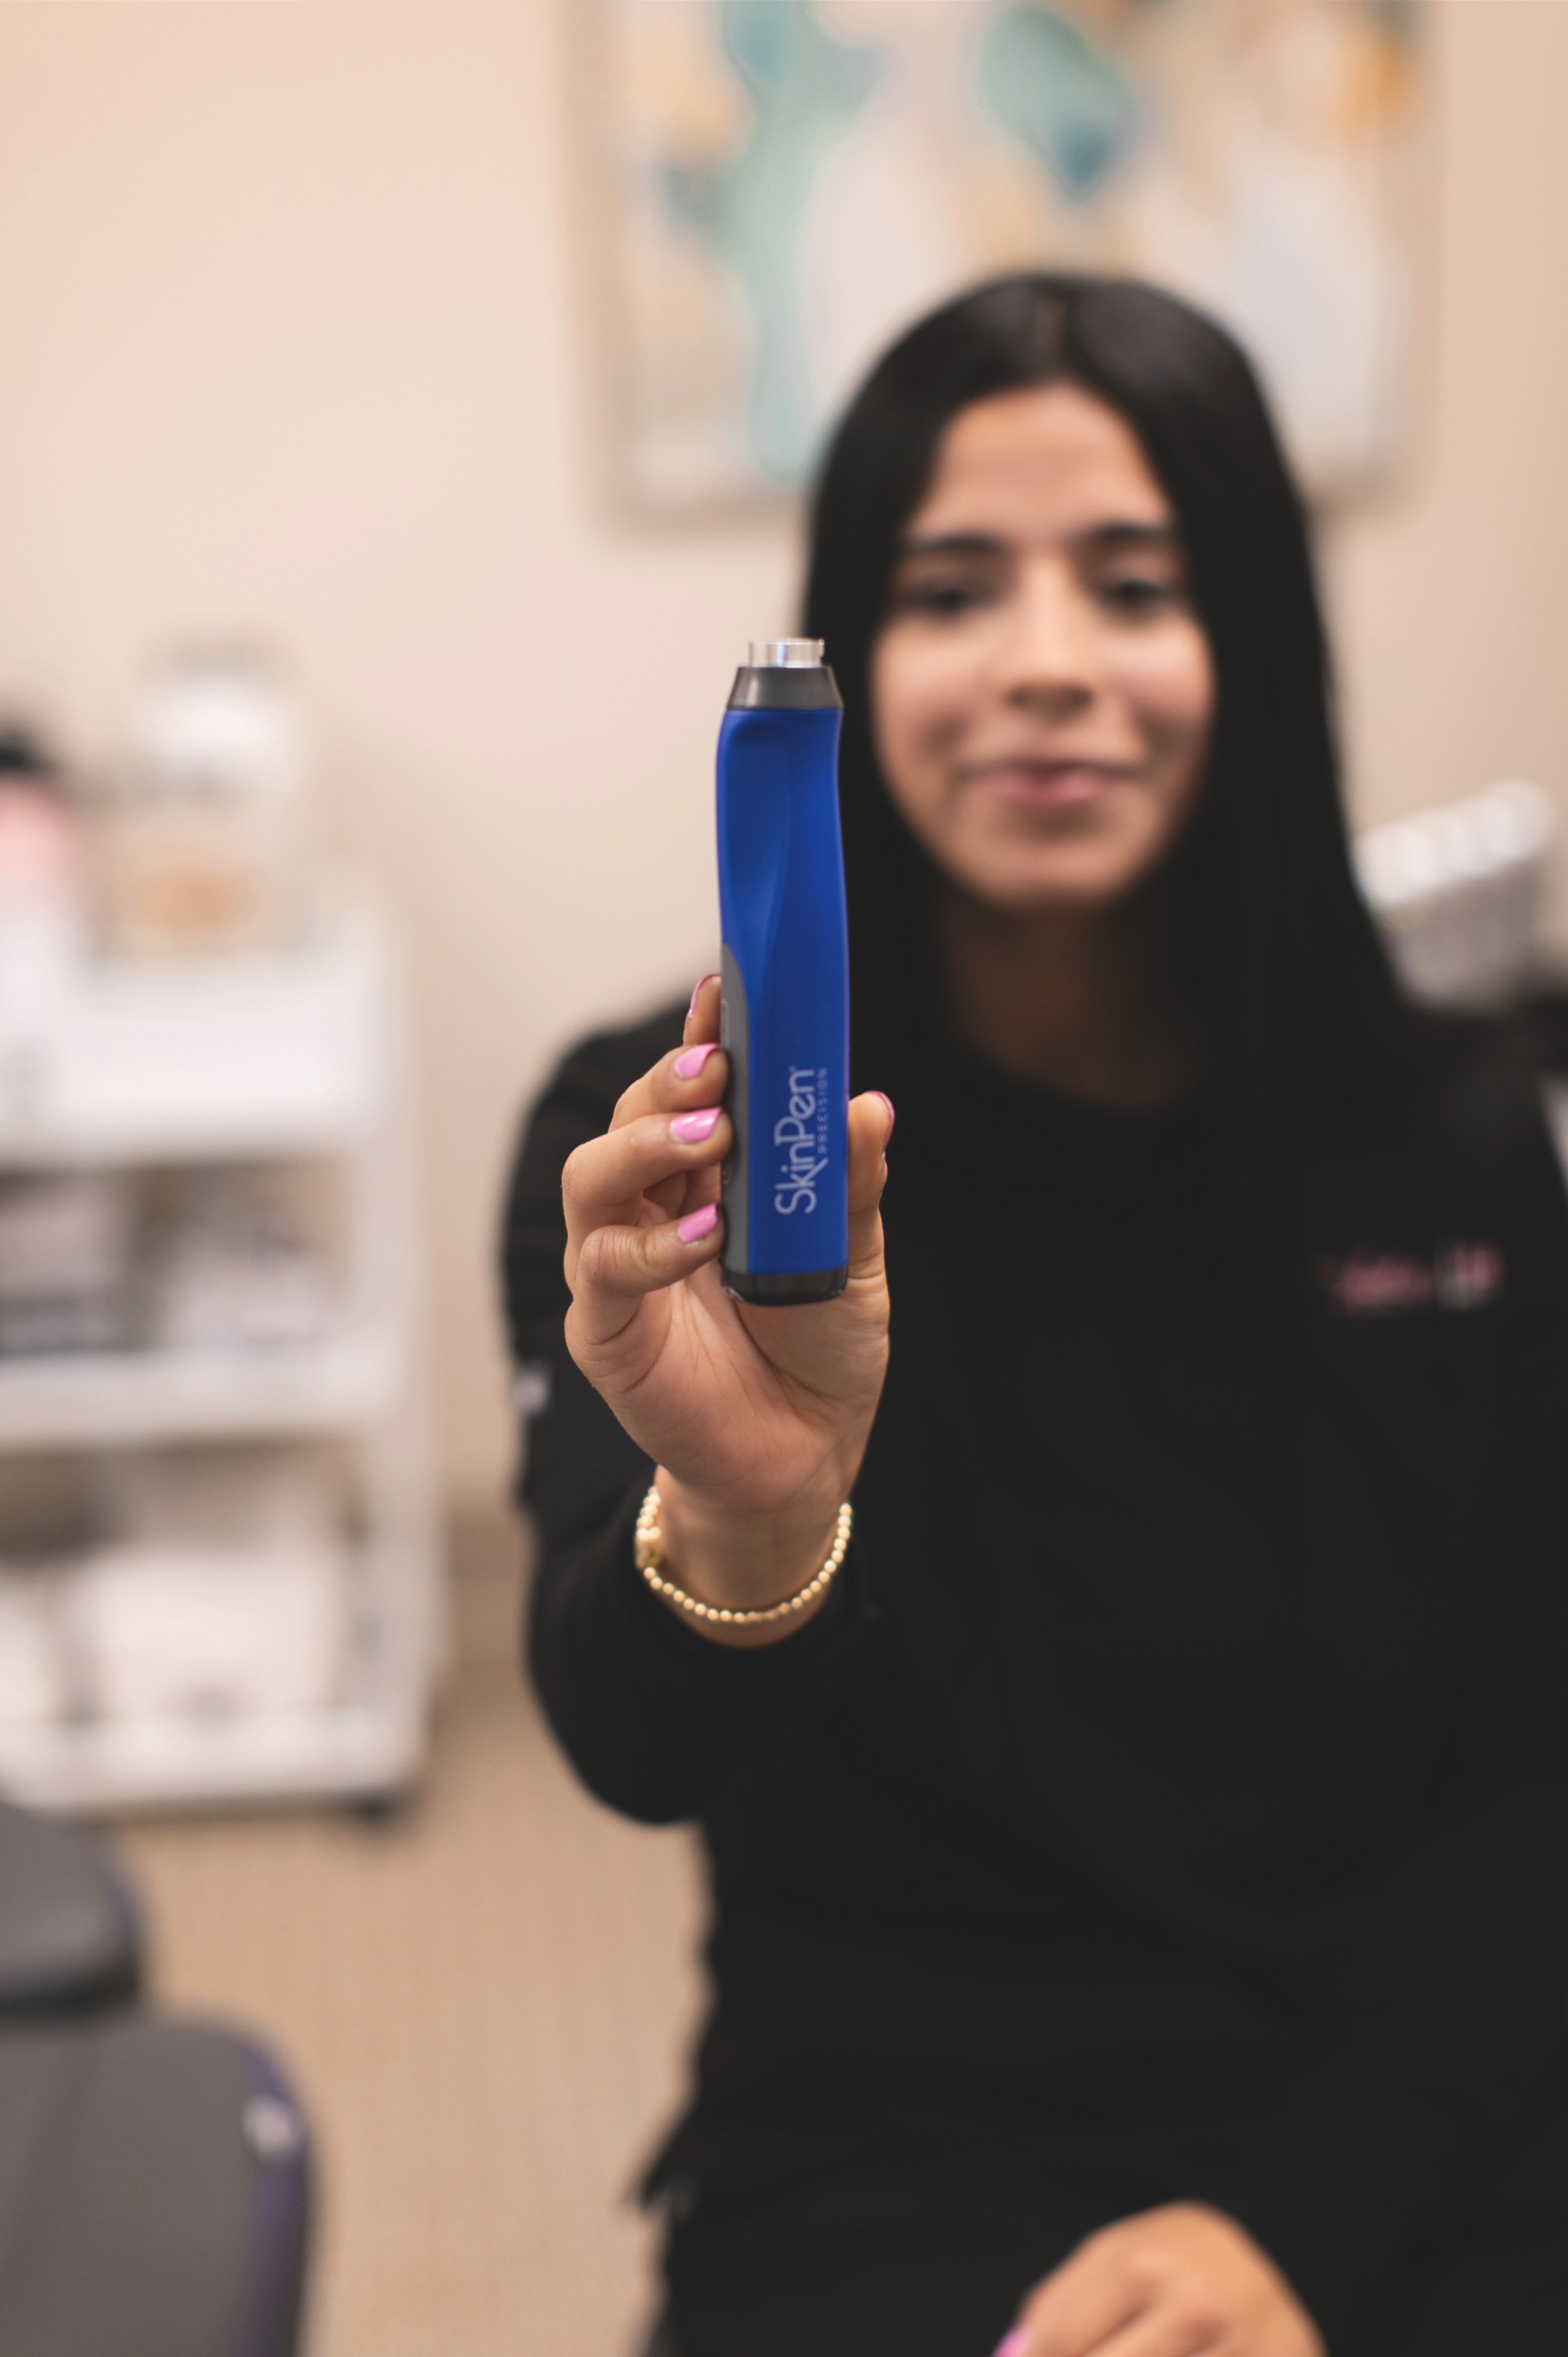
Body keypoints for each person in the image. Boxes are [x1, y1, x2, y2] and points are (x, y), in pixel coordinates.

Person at [502, 276, 1568, 2357]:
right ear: (852, 653)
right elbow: (633, 1750)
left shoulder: (1452, 1148)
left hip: (1404, 2120)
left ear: (1252, 638)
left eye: (1136, 584)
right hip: (887, 2148)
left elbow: (1537, 1774)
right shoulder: (679, 1160)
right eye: (955, 591)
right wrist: (752, 1513)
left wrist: (1297, 2227)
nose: (1049, 663)